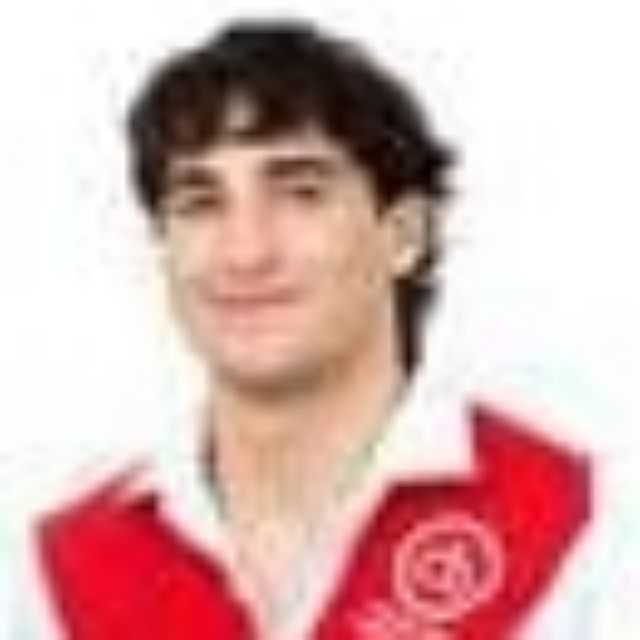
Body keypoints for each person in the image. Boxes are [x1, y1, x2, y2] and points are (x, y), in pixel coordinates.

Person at [8, 18, 612, 640]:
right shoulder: (52, 575)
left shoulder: (590, 528)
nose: (246, 252)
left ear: (404, 235)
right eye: (201, 203)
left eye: (301, 193)